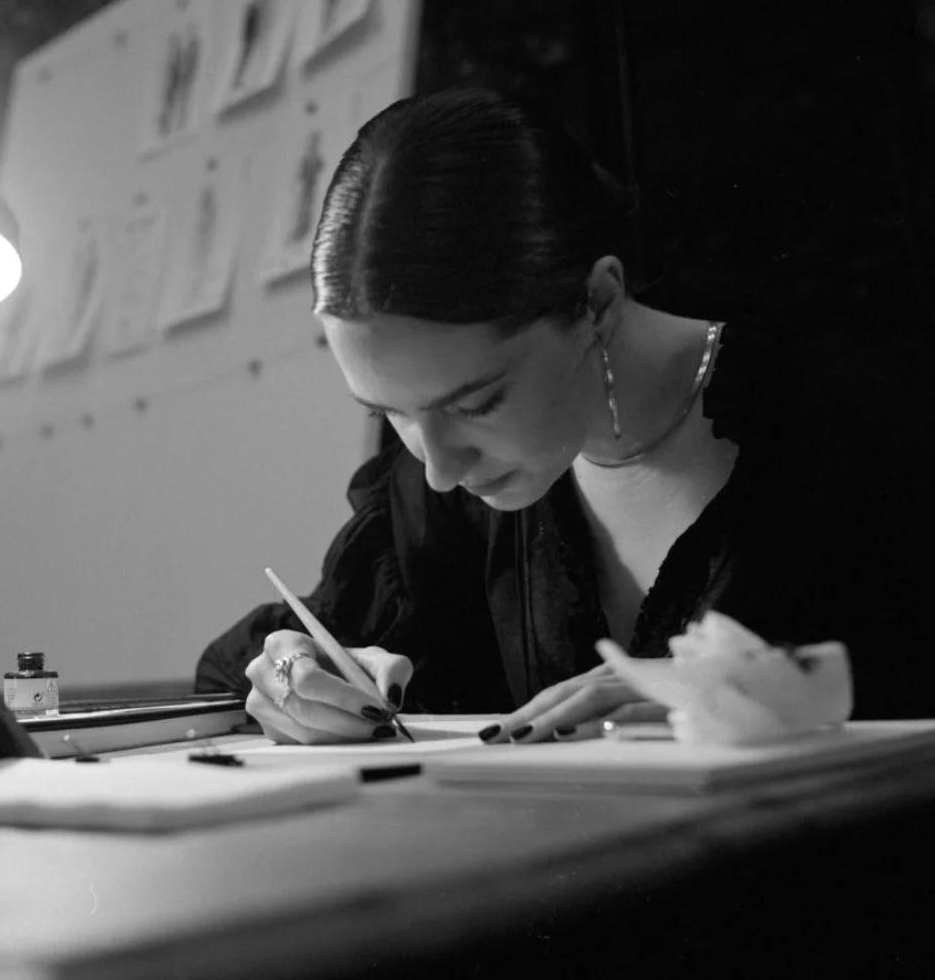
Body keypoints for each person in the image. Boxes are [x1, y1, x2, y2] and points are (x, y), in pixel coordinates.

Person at [195, 88, 934, 744]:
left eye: (476, 402)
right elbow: (261, 662)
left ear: (599, 302)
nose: (442, 468)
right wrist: (296, 675)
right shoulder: (436, 504)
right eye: (392, 413)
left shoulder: (855, 425)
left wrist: (757, 699)